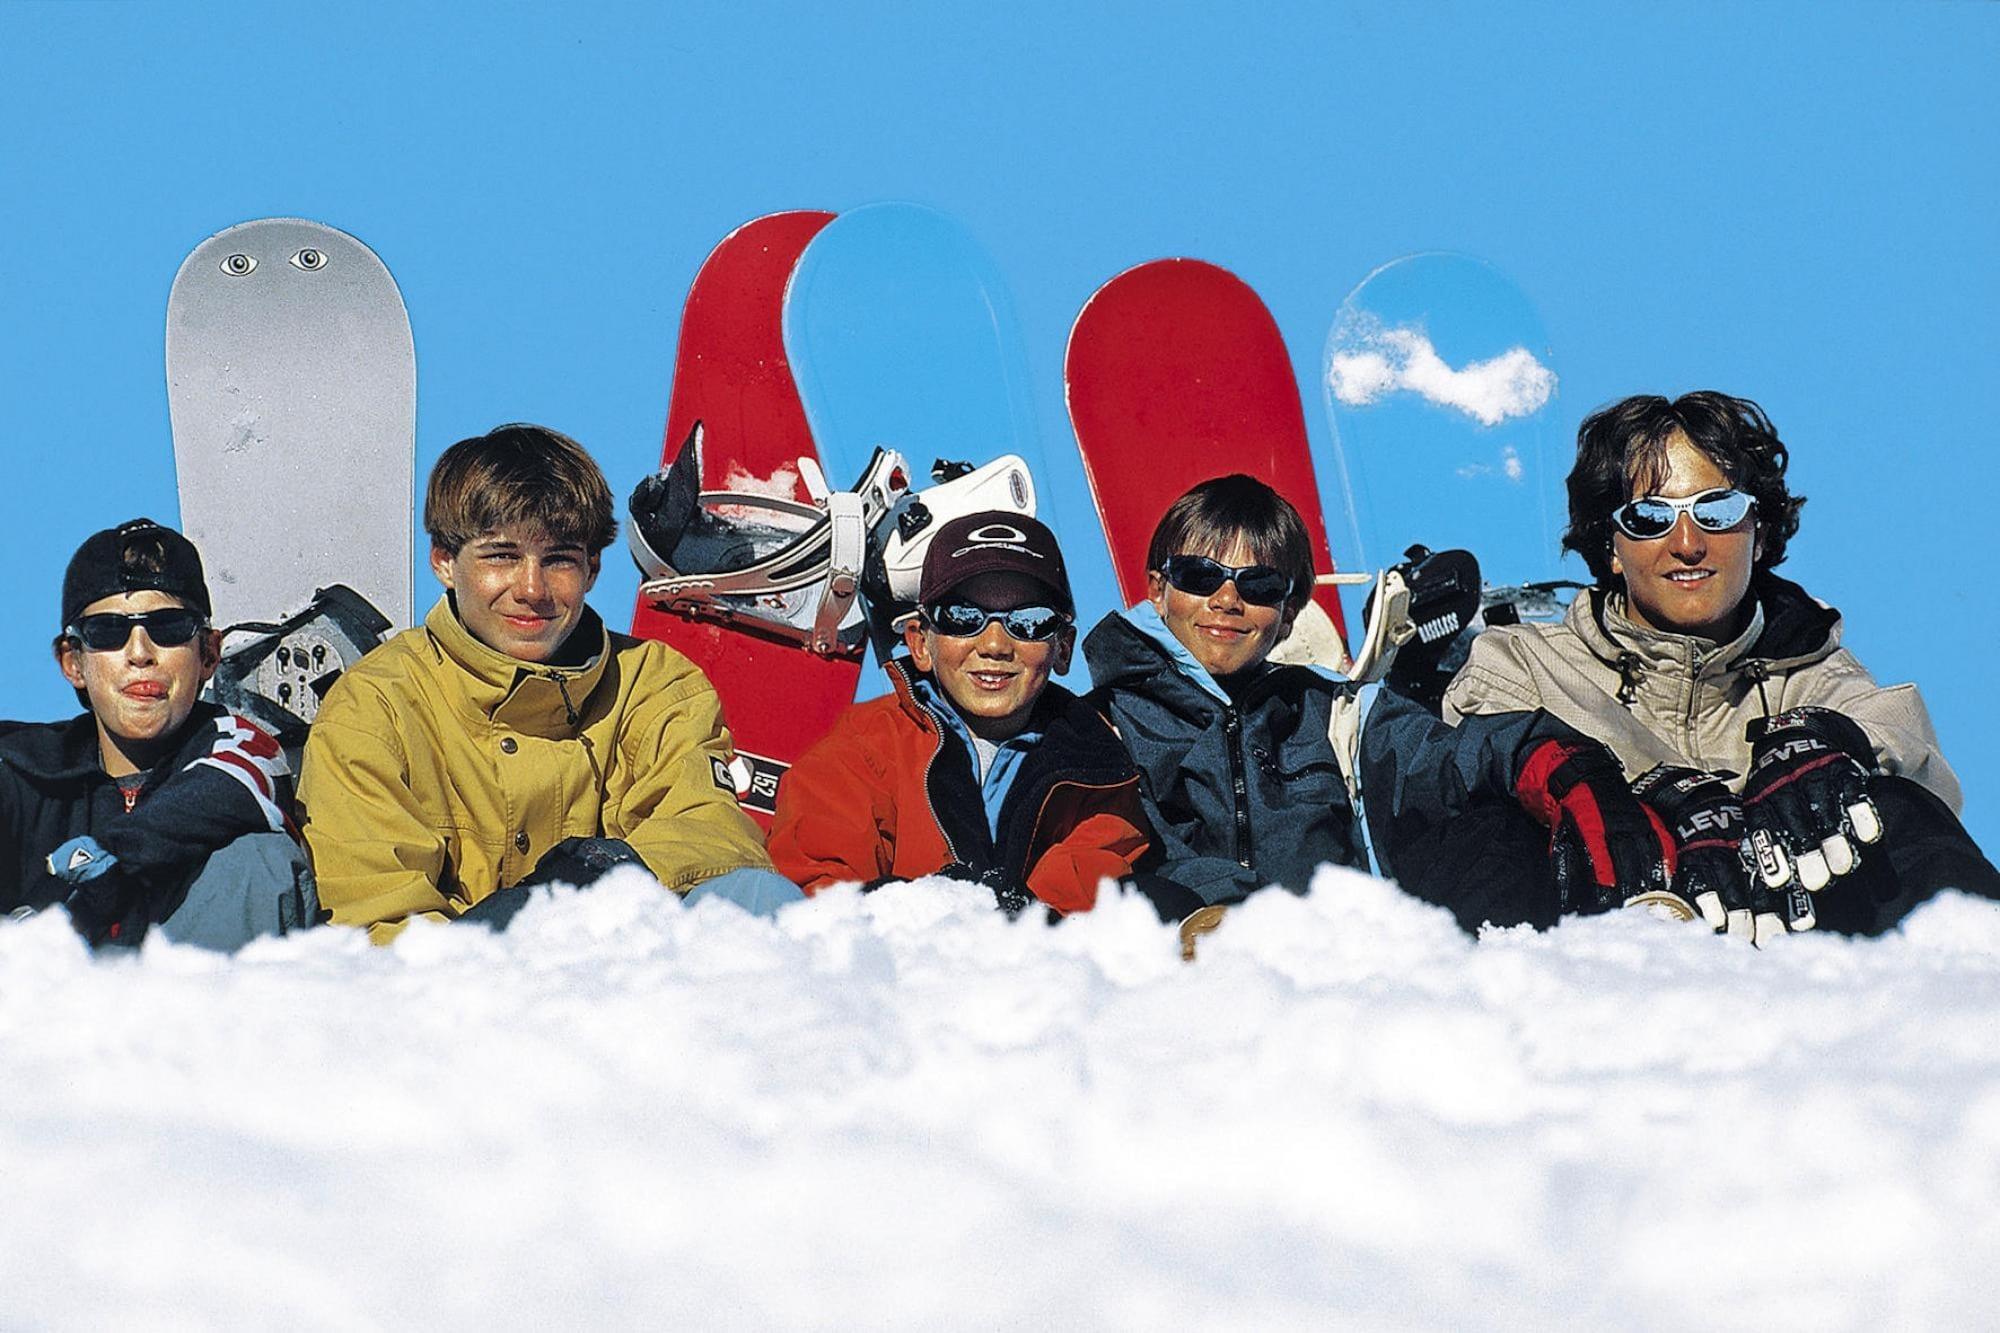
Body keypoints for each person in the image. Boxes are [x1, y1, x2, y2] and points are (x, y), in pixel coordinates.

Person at [1363, 391, 1998, 939]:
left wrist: (1831, 745)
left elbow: (1903, 741)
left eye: (1717, 511)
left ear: (1759, 533)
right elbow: (1446, 774)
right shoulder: (1525, 666)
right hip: (1592, 957)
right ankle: (1488, 1015)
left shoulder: (1810, 672)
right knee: (1490, 826)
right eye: (1650, 518)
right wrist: (1632, 794)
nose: (1688, 544)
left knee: (1892, 807)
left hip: (1792, 951)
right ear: (1612, 548)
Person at [296, 424, 794, 943]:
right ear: (444, 561)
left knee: (759, 898)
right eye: (501, 556)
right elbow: (377, 920)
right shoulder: (375, 708)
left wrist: (606, 870)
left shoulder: (655, 685)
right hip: (455, 986)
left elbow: (715, 834)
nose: (532, 589)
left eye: (558, 560)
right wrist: (515, 927)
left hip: (636, 974)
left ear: (592, 569)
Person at [767, 511, 1166, 918]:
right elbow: (817, 890)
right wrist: (927, 908)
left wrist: (1018, 915)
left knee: (1170, 900)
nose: (994, 645)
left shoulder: (1101, 771)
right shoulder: (861, 751)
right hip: (888, 952)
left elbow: (1087, 892)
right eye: (962, 618)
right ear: (920, 643)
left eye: (1028, 622)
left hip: (1042, 957)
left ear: (1062, 648)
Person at [1, 519, 315, 949]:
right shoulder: (20, 771)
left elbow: (243, 775)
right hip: (46, 991)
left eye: (169, 627)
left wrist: (115, 858)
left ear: (209, 654)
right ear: (73, 663)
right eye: (107, 631)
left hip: (201, 987)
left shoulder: (238, 752)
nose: (140, 653)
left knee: (258, 860)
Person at [1082, 475, 1369, 906]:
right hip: (1183, 943)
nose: (1227, 600)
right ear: (1158, 590)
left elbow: (1450, 761)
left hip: (1331, 942)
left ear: (1289, 612)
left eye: (1260, 585)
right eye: (1199, 576)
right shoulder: (1099, 727)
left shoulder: (1335, 715)